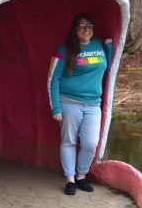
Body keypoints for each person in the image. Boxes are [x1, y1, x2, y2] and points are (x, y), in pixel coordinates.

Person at [47, 13, 113, 195]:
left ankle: (81, 176)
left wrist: (110, 47)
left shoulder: (100, 45)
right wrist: (56, 107)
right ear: (75, 29)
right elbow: (53, 79)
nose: (86, 29)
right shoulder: (64, 49)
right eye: (82, 26)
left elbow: (107, 67)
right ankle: (70, 179)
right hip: (69, 103)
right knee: (68, 141)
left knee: (91, 143)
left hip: (93, 105)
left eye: (90, 26)